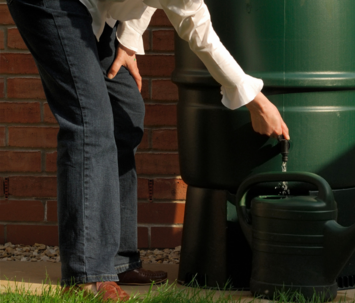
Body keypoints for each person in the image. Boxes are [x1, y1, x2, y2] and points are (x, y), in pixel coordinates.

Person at [6, 0, 289, 301]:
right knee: (91, 120)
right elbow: (196, 29)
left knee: (125, 113)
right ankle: (87, 274)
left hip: (93, 10)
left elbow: (188, 20)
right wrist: (257, 102)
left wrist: (127, 42)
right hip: (54, 5)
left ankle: (117, 260)